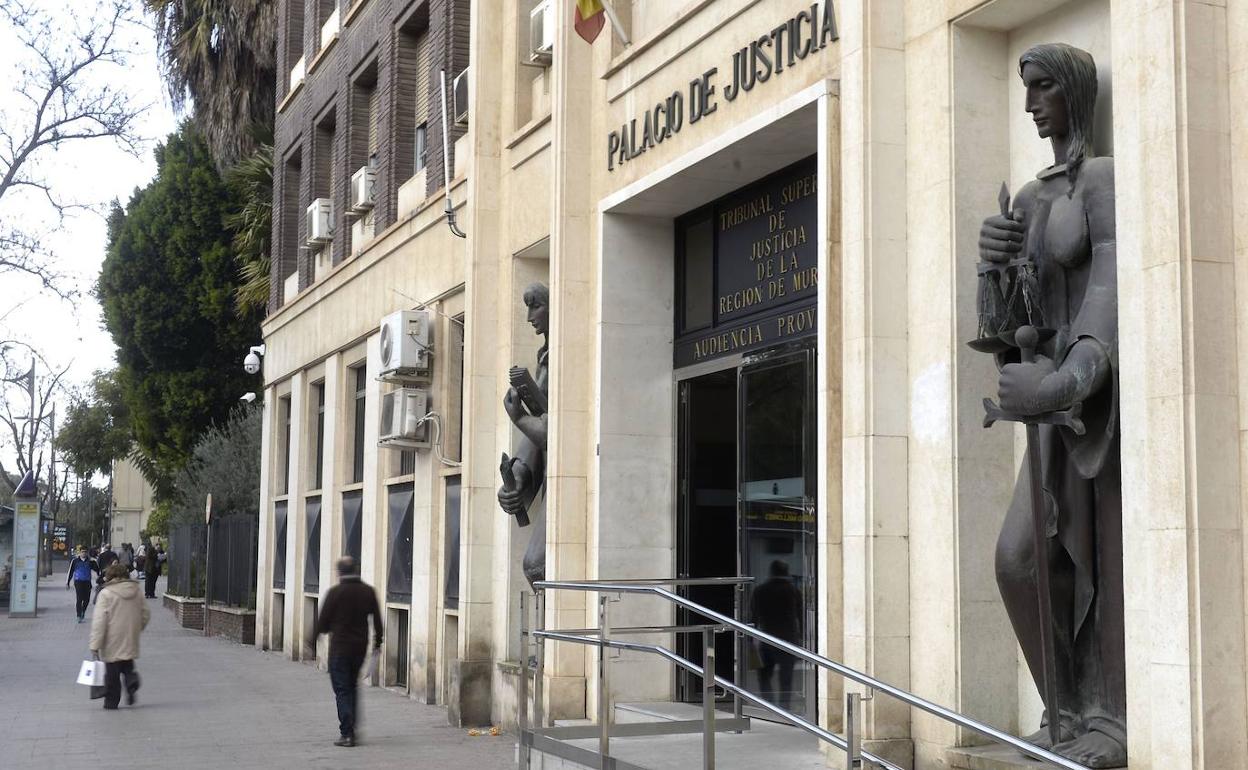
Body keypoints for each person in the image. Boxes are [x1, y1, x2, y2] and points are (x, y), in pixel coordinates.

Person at [977, 43, 1124, 768]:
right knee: (1018, 560)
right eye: (1026, 89)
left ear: (1074, 91)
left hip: (1096, 407)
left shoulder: (1101, 180)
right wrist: (991, 266)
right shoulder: (1032, 199)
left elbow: (1111, 294)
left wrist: (1068, 382)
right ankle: (1061, 711)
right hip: (1048, 413)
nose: (1032, 103)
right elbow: (1010, 331)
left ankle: (1108, 720)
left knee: (1107, 562)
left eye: (1043, 88)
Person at [314, 556, 383, 747]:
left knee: (342, 690)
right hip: (359, 648)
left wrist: (317, 636)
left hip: (340, 648)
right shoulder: (368, 592)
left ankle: (347, 733)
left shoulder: (335, 593)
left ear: (339, 572)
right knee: (352, 686)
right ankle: (352, 728)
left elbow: (322, 623)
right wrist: (377, 643)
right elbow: (378, 621)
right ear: (356, 570)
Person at [89, 562, 150, 710]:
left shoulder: (106, 593)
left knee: (112, 672)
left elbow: (99, 621)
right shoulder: (136, 590)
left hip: (112, 639)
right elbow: (146, 613)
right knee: (127, 663)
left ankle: (111, 702)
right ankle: (131, 681)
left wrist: (95, 644)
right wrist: (137, 628)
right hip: (130, 635)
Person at [751, 560, 803, 710]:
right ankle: (784, 706)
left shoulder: (760, 590)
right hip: (788, 638)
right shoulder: (793, 591)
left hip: (766, 638)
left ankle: (768, 703)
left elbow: (753, 617)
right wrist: (801, 637)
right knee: (786, 677)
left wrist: (750, 638)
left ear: (771, 572)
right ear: (786, 572)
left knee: (764, 675)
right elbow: (800, 617)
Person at [65, 545, 98, 622]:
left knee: (87, 599)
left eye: (85, 552)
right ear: (79, 552)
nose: (84, 553)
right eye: (82, 552)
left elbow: (97, 570)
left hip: (87, 582)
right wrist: (67, 582)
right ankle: (78, 615)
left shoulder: (90, 561)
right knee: (79, 598)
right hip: (78, 581)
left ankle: (83, 611)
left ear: (87, 553)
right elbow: (70, 572)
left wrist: (94, 561)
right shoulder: (75, 561)